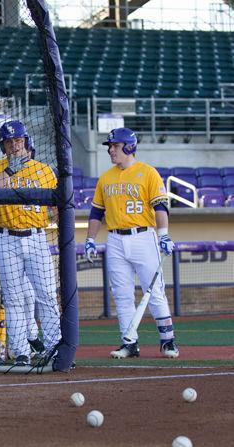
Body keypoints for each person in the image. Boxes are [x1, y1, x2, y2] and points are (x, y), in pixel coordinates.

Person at [84, 127, 179, 359]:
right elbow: (96, 213)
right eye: (110, 147)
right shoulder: (105, 177)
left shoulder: (148, 173)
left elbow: (160, 207)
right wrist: (89, 239)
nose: (111, 151)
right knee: (122, 295)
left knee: (154, 291)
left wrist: (164, 234)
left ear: (128, 146)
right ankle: (129, 342)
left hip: (143, 237)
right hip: (115, 238)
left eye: (114, 146)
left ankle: (168, 341)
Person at [0, 120, 61, 366]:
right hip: (6, 238)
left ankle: (55, 347)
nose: (14, 145)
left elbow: (56, 208)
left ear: (25, 141)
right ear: (3, 145)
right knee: (13, 298)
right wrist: (9, 172)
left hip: (37, 237)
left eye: (18, 140)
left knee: (47, 295)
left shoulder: (44, 170)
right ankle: (20, 351)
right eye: (9, 142)